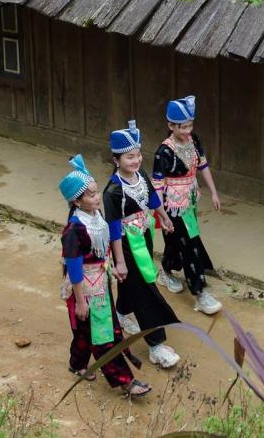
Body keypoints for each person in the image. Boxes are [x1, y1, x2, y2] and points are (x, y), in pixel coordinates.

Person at [58, 154, 151, 397]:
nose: (97, 197)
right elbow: (75, 268)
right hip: (86, 289)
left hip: (100, 280)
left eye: (97, 191)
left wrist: (114, 266)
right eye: (90, 194)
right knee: (102, 335)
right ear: (76, 202)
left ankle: (77, 364)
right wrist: (79, 301)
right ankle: (125, 380)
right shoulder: (75, 230)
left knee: (84, 329)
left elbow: (108, 241)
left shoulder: (96, 217)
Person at [103, 120, 183, 370]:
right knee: (146, 290)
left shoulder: (140, 176)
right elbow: (114, 229)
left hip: (143, 237)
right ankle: (156, 345)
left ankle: (122, 312)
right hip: (126, 244)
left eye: (137, 155)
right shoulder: (113, 191)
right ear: (117, 160)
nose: (136, 160)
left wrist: (164, 217)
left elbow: (152, 197)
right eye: (129, 157)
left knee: (134, 283)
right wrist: (120, 261)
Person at [152, 95, 222, 315]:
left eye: (190, 125)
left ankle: (166, 270)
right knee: (190, 243)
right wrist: (162, 215)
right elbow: (157, 186)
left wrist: (213, 192)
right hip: (171, 205)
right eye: (183, 127)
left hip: (189, 200)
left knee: (176, 239)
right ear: (170, 125)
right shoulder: (163, 153)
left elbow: (203, 166)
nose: (187, 131)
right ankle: (200, 293)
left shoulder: (194, 141)